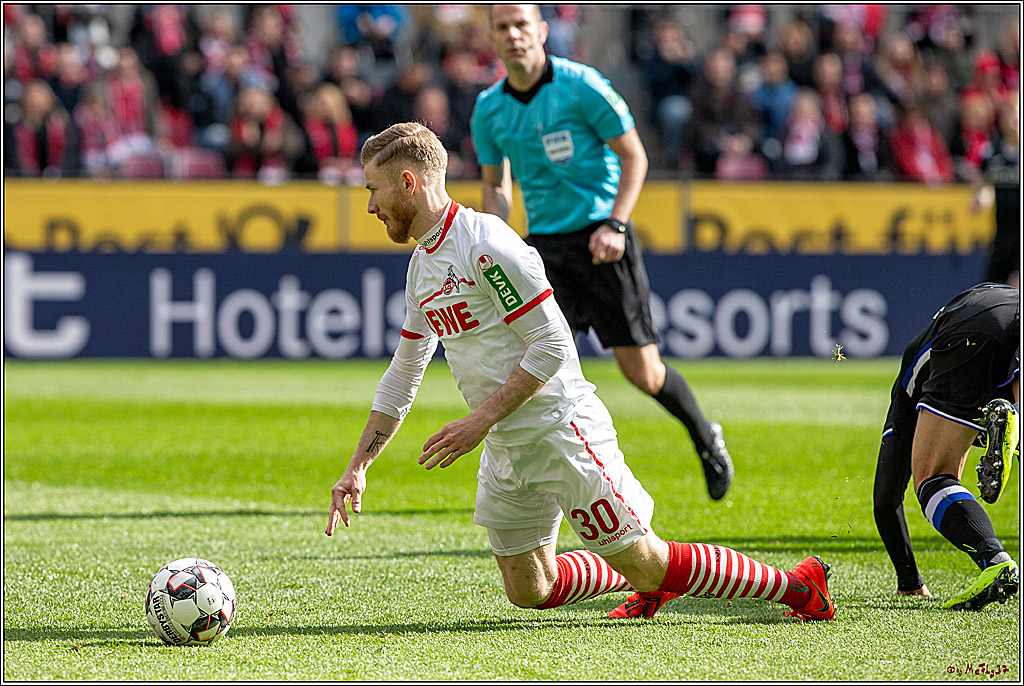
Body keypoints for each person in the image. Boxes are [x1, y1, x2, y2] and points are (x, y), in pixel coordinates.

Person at [324, 121, 836, 624]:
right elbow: (404, 370)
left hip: (560, 427)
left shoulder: (485, 244)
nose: (369, 206)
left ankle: (797, 585)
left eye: (373, 190)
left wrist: (478, 422)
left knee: (651, 562)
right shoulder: (422, 266)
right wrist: (358, 466)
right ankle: (642, 577)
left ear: (408, 183)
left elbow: (552, 345)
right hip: (506, 443)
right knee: (530, 589)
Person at [470, 4, 733, 500]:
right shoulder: (488, 108)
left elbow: (634, 156)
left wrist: (616, 223)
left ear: (541, 31)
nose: (513, 34)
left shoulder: (581, 85)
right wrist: (494, 241)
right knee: (538, 366)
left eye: (521, 24)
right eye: (502, 27)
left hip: (602, 241)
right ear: (493, 39)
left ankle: (705, 434)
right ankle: (543, 483)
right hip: (544, 251)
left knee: (643, 373)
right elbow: (495, 185)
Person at [872, 283, 1020, 611]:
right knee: (991, 414)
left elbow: (885, 500)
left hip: (967, 332)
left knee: (933, 477)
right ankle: (1013, 422)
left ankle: (995, 561)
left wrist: (909, 583)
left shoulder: (908, 386)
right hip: (1011, 307)